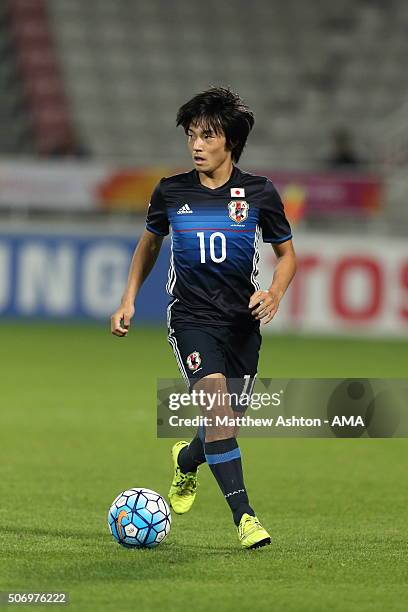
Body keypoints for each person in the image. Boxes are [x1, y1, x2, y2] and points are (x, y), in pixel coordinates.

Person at [111, 87, 297, 549]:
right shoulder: (171, 191)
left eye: (206, 135)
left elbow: (288, 255)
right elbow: (148, 244)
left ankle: (186, 460)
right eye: (191, 135)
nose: (196, 144)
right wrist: (128, 300)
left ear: (229, 141)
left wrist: (273, 293)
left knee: (224, 422)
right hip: (191, 319)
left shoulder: (259, 192)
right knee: (217, 408)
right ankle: (245, 518)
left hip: (241, 324)